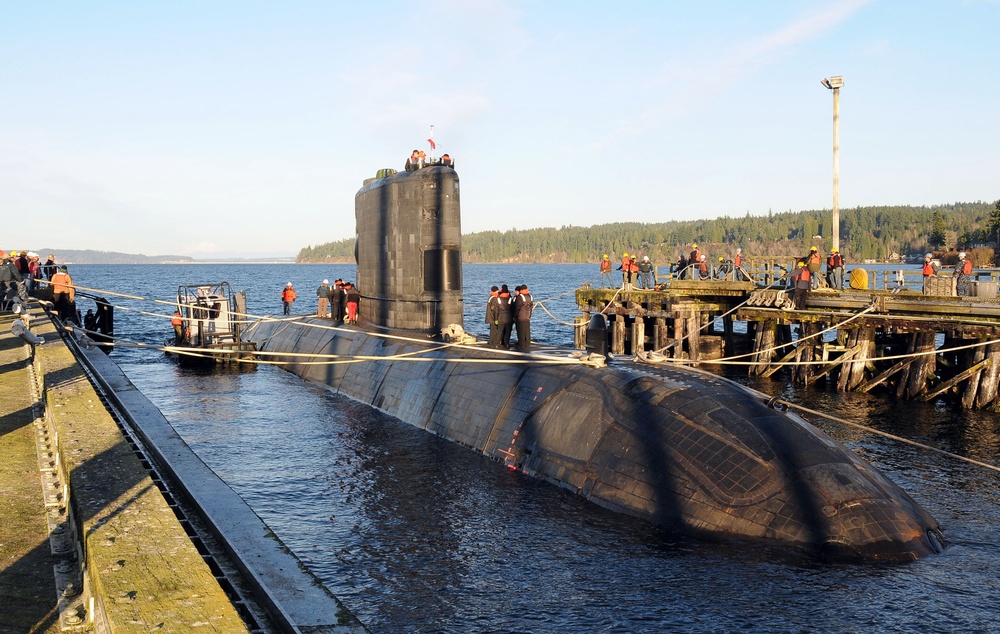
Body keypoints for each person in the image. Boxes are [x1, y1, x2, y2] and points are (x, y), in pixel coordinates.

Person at [513, 285, 533, 350]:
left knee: (521, 330)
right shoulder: (530, 297)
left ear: (521, 290)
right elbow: (531, 307)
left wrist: (515, 316)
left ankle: (521, 344)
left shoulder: (520, 297)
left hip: (521, 316)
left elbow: (517, 308)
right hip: (527, 316)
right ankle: (527, 343)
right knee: (527, 330)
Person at [497, 284, 514, 348]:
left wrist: (496, 318)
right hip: (509, 318)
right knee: (508, 332)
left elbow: (496, 309)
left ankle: (498, 343)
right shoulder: (510, 299)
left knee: (500, 331)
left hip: (500, 318)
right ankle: (506, 343)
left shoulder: (499, 299)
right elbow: (513, 309)